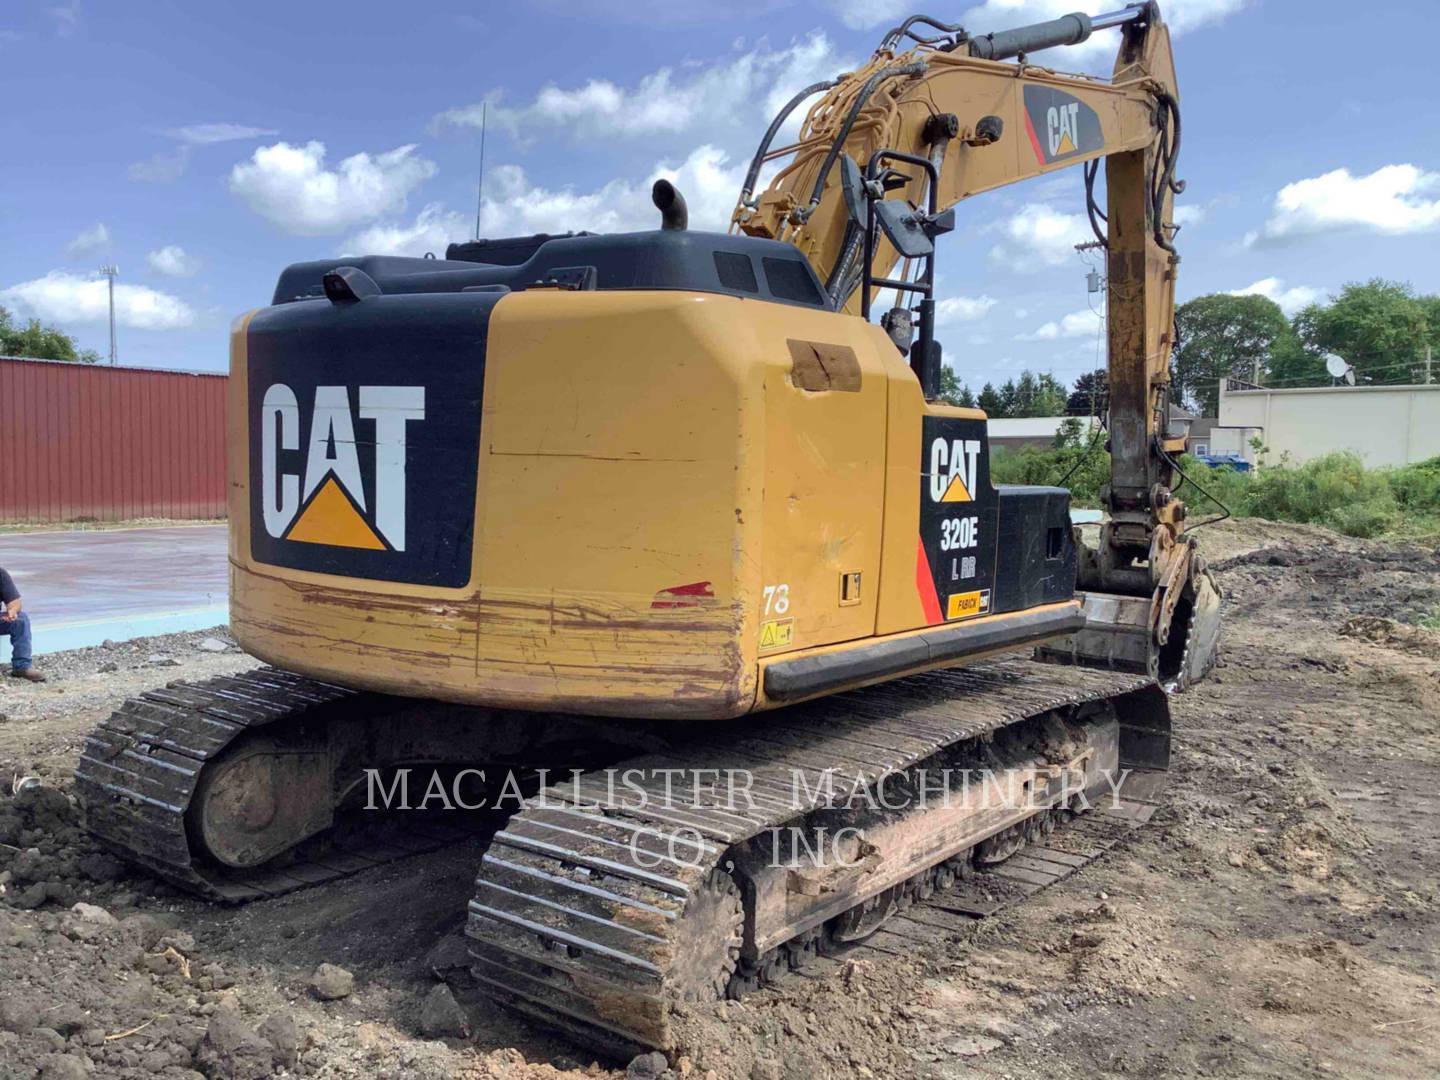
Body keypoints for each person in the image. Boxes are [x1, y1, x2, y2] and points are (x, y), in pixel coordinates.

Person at [0, 565, 47, 682]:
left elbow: (15, 602)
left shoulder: (1, 574)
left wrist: (12, 611)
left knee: (21, 619)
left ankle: (22, 667)